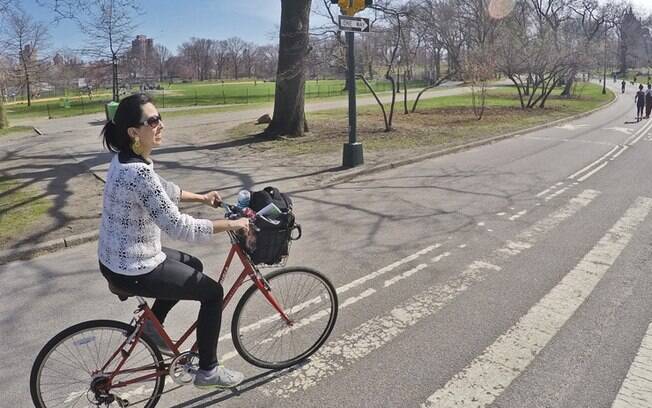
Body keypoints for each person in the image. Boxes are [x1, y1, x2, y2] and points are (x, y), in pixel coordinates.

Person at [98, 93, 249, 389]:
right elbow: (180, 227)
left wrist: (203, 198)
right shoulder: (138, 173)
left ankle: (153, 328)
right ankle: (208, 370)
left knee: (192, 264)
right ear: (134, 131)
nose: (161, 125)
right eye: (153, 121)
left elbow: (163, 189)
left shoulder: (124, 160)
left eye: (160, 118)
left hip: (119, 257)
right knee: (213, 293)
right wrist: (233, 223)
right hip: (134, 266)